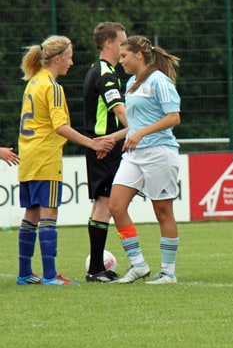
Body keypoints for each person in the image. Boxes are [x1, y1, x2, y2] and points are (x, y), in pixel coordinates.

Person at [17, 35, 115, 286]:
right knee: (49, 213)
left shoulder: (33, 81)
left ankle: (25, 273)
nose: (71, 62)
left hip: (28, 156)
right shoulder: (52, 86)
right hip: (46, 157)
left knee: (31, 213)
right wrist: (92, 143)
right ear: (57, 59)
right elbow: (60, 126)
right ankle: (50, 275)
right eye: (69, 57)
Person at [107, 35, 182, 284]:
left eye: (124, 56)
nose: (120, 61)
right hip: (134, 155)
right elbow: (136, 124)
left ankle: (168, 272)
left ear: (139, 55)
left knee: (163, 212)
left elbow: (173, 117)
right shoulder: (131, 83)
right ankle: (138, 264)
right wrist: (114, 137)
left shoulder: (159, 81)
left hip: (159, 152)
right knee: (115, 206)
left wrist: (141, 133)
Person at [82, 22, 128, 283]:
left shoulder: (96, 70)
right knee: (104, 205)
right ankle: (96, 269)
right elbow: (119, 110)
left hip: (102, 144)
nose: (125, 47)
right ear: (109, 43)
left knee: (104, 204)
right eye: (122, 42)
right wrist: (137, 128)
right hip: (105, 146)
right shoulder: (106, 74)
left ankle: (97, 266)